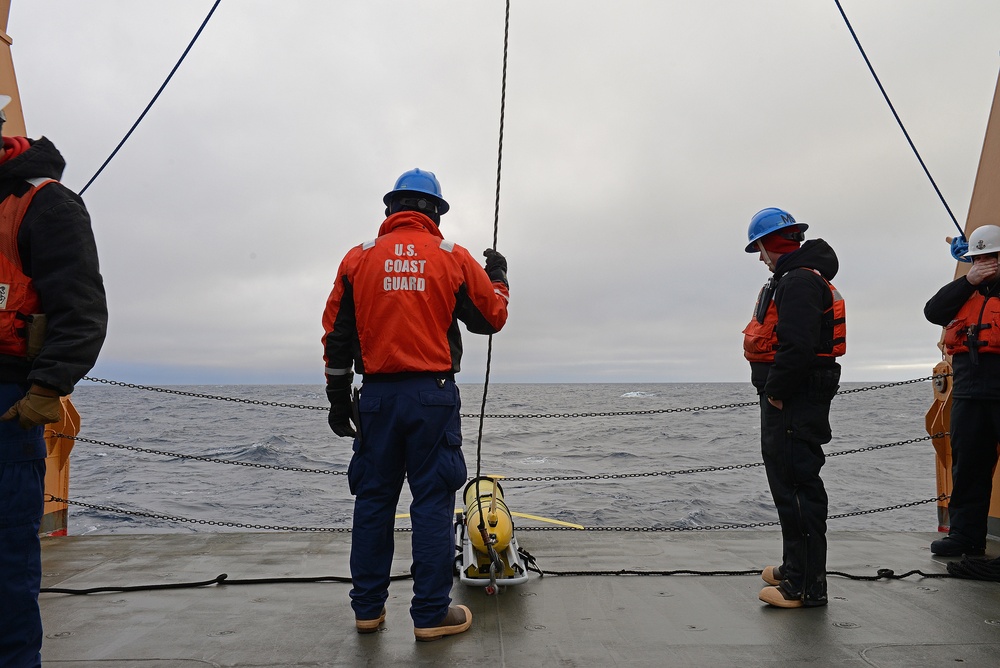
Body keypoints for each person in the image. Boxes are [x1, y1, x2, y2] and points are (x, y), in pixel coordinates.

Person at [322, 168, 509, 641]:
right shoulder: (451, 257)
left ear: (392, 209)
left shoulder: (358, 259)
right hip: (433, 397)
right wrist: (500, 278)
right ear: (435, 213)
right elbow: (492, 318)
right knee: (431, 503)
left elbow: (337, 336)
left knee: (373, 502)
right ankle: (429, 615)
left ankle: (367, 612)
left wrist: (338, 396)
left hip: (378, 399)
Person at [0, 94, 108, 666]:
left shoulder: (47, 205)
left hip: (8, 397)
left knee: (6, 557)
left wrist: (44, 390)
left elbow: (82, 308)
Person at [742, 207, 844, 609]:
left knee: (797, 486)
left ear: (770, 244)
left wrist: (776, 391)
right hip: (796, 397)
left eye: (760, 250)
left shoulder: (798, 282)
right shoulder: (800, 278)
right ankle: (795, 566)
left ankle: (803, 586)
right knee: (791, 483)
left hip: (793, 399)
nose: (761, 259)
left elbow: (797, 345)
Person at [924, 224, 1000, 557]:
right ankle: (965, 536)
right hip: (969, 392)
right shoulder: (964, 291)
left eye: (991, 257)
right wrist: (969, 279)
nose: (984, 264)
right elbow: (933, 311)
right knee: (968, 467)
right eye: (978, 258)